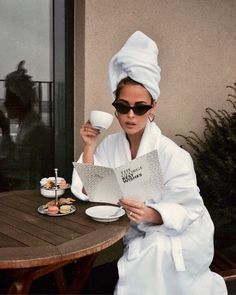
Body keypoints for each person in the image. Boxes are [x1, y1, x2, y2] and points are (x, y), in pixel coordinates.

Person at [71, 31, 227, 295]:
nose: (130, 115)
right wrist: (89, 146)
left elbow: (190, 209)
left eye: (140, 108)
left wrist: (151, 214)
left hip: (180, 237)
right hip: (139, 237)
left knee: (154, 255)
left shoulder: (172, 155)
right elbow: (91, 190)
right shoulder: (110, 145)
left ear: (153, 107)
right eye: (123, 106)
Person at [0, 61, 52, 191]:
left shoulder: (35, 130)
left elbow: (18, 166)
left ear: (21, 101)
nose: (5, 103)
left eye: (10, 99)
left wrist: (5, 131)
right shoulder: (26, 125)